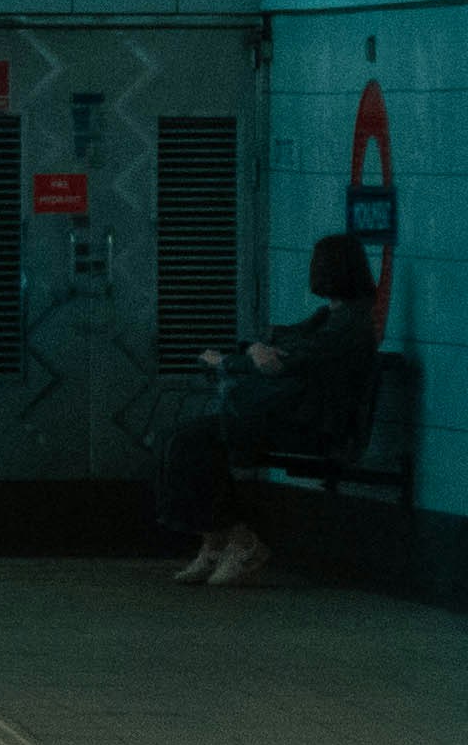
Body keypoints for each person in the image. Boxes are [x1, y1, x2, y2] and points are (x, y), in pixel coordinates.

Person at [156, 230, 382, 586]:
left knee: (193, 442)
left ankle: (236, 539)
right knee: (185, 439)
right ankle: (218, 539)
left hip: (312, 425)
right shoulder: (333, 318)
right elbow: (282, 344)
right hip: (296, 416)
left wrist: (229, 362)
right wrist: (254, 351)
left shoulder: (348, 326)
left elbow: (285, 361)